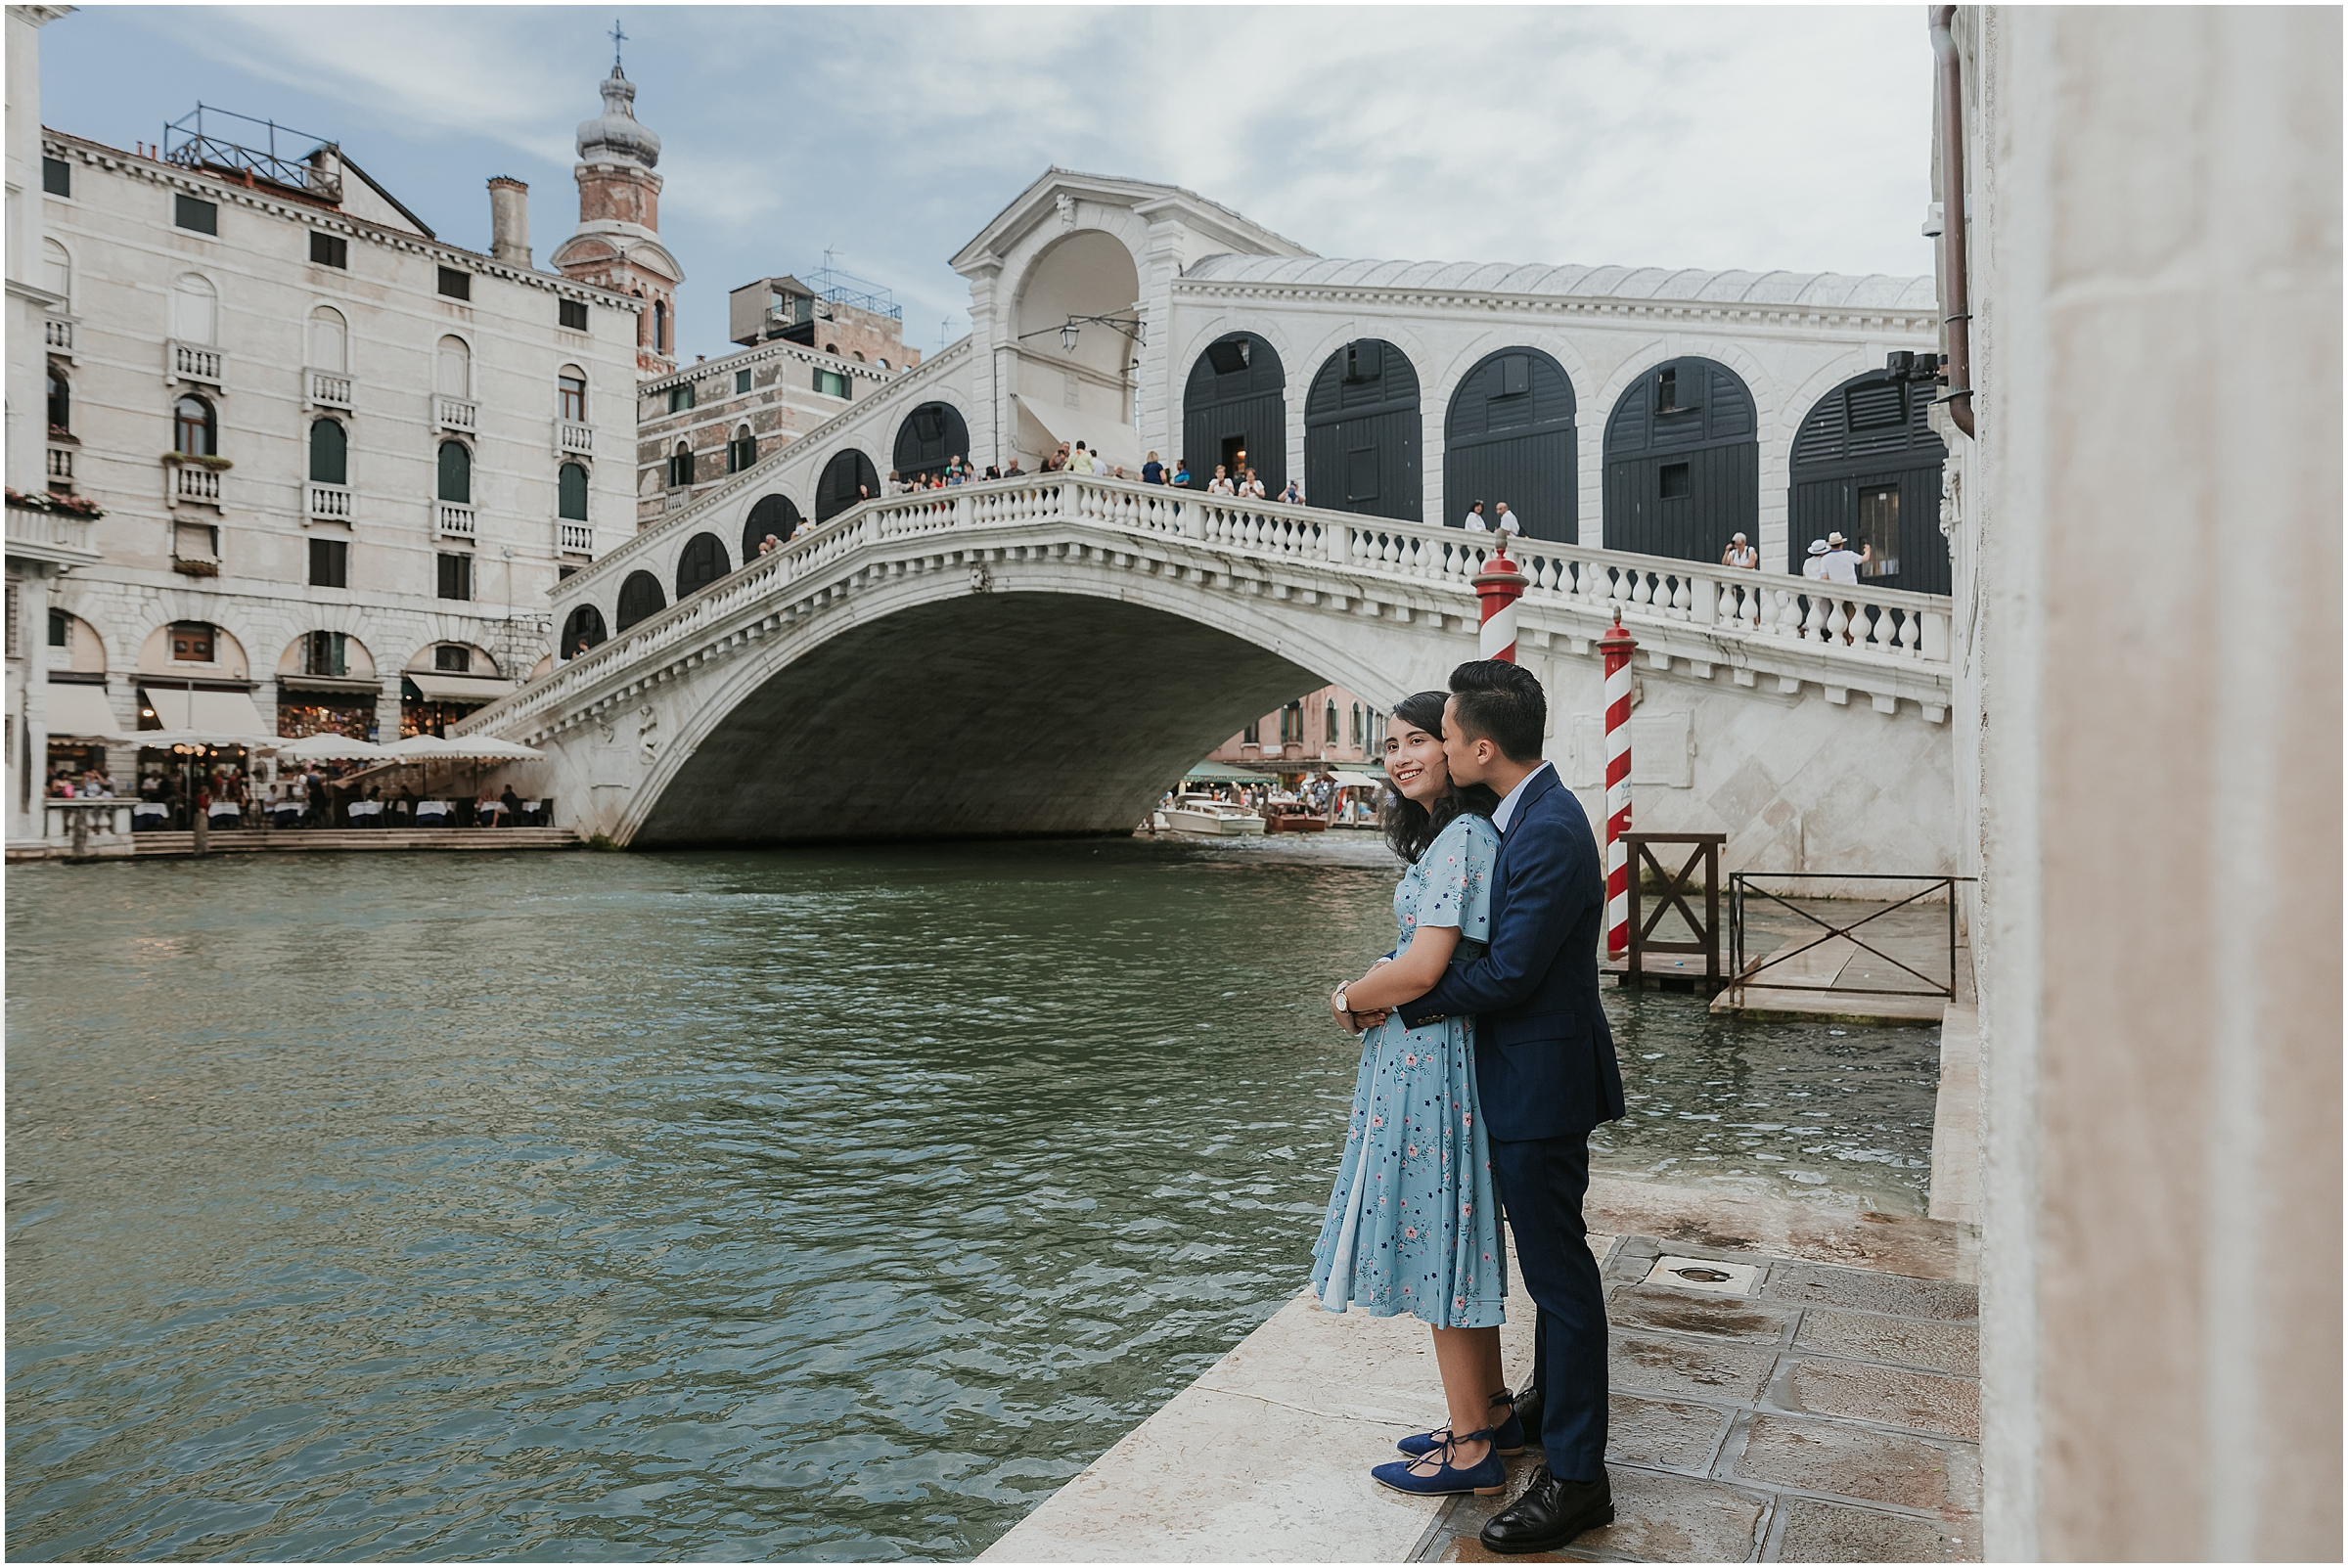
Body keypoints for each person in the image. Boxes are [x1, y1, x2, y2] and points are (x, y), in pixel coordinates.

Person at [1360, 659, 1625, 1553]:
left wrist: (1395, 997)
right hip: (1529, 1074)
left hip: (1540, 1083)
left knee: (1562, 1276)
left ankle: (1580, 1479)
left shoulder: (1545, 827)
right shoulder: (1524, 817)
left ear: (1478, 744)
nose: (1420, 750)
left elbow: (1509, 971)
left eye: (1438, 733)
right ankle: (1545, 1412)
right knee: (1555, 1266)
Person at [1315, 691, 1512, 1501]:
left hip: (1431, 1064)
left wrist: (1348, 996)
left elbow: (1426, 966)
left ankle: (1471, 1448)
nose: (1400, 757)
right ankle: (1490, 1413)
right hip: (1425, 1056)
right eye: (1390, 744)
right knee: (1450, 1232)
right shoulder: (1452, 834)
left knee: (1439, 1237)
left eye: (1419, 740)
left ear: (1460, 746)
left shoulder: (1464, 836)